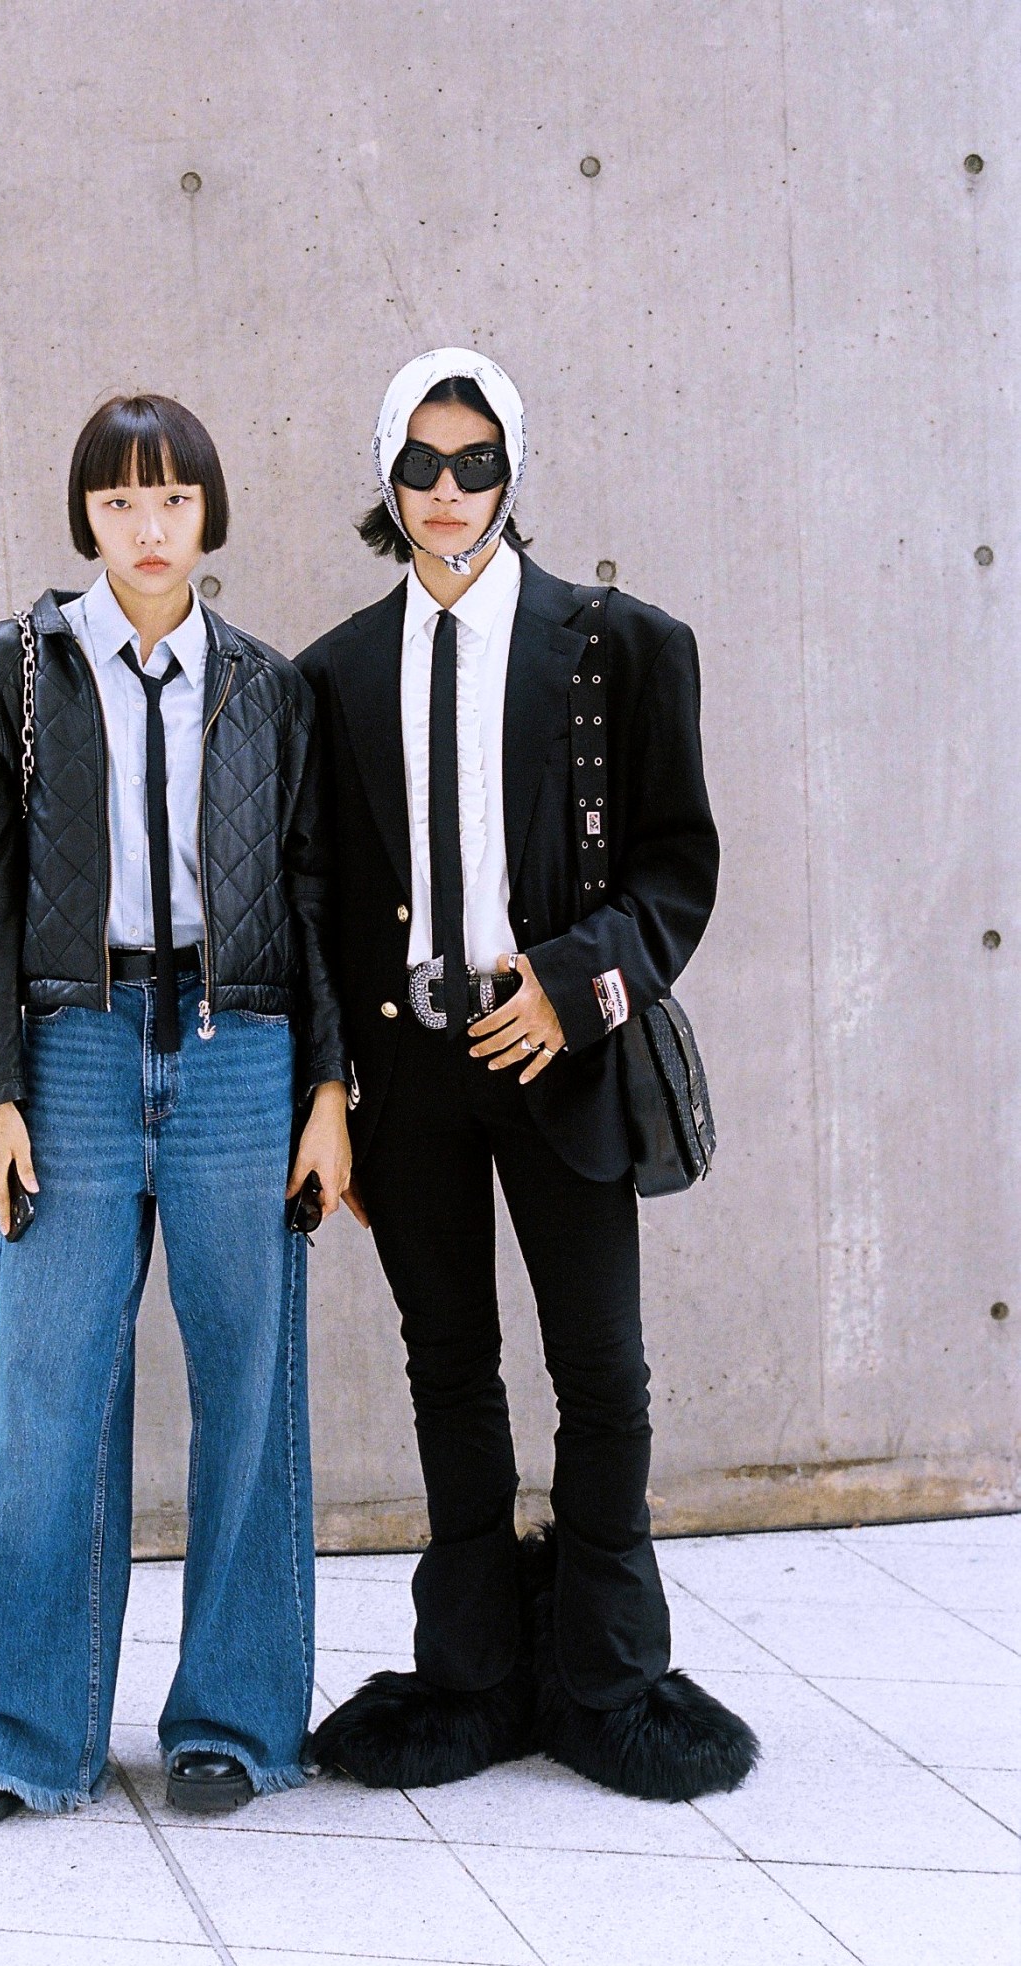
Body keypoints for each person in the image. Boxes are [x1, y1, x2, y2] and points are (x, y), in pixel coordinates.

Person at [299, 348, 758, 1802]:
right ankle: (476, 1677)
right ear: (386, 476)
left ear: (515, 470)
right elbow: (314, 901)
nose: (449, 492)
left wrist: (572, 989)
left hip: (557, 1057)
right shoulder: (330, 674)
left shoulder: (618, 645)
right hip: (409, 1074)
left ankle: (609, 1679)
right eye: (421, 464)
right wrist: (339, 1095)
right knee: (448, 1370)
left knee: (601, 1370)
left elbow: (677, 869)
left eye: (476, 461)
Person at [0, 392, 349, 1833]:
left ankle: (236, 1722)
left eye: (171, 502)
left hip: (240, 1056)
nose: (146, 530)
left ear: (209, 515)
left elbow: (315, 899)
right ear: (83, 518)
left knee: (250, 1400)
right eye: (116, 505)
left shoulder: (269, 688)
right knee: (47, 1402)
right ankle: (13, 1737)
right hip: (75, 1054)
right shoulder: (11, 674)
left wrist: (331, 1092)